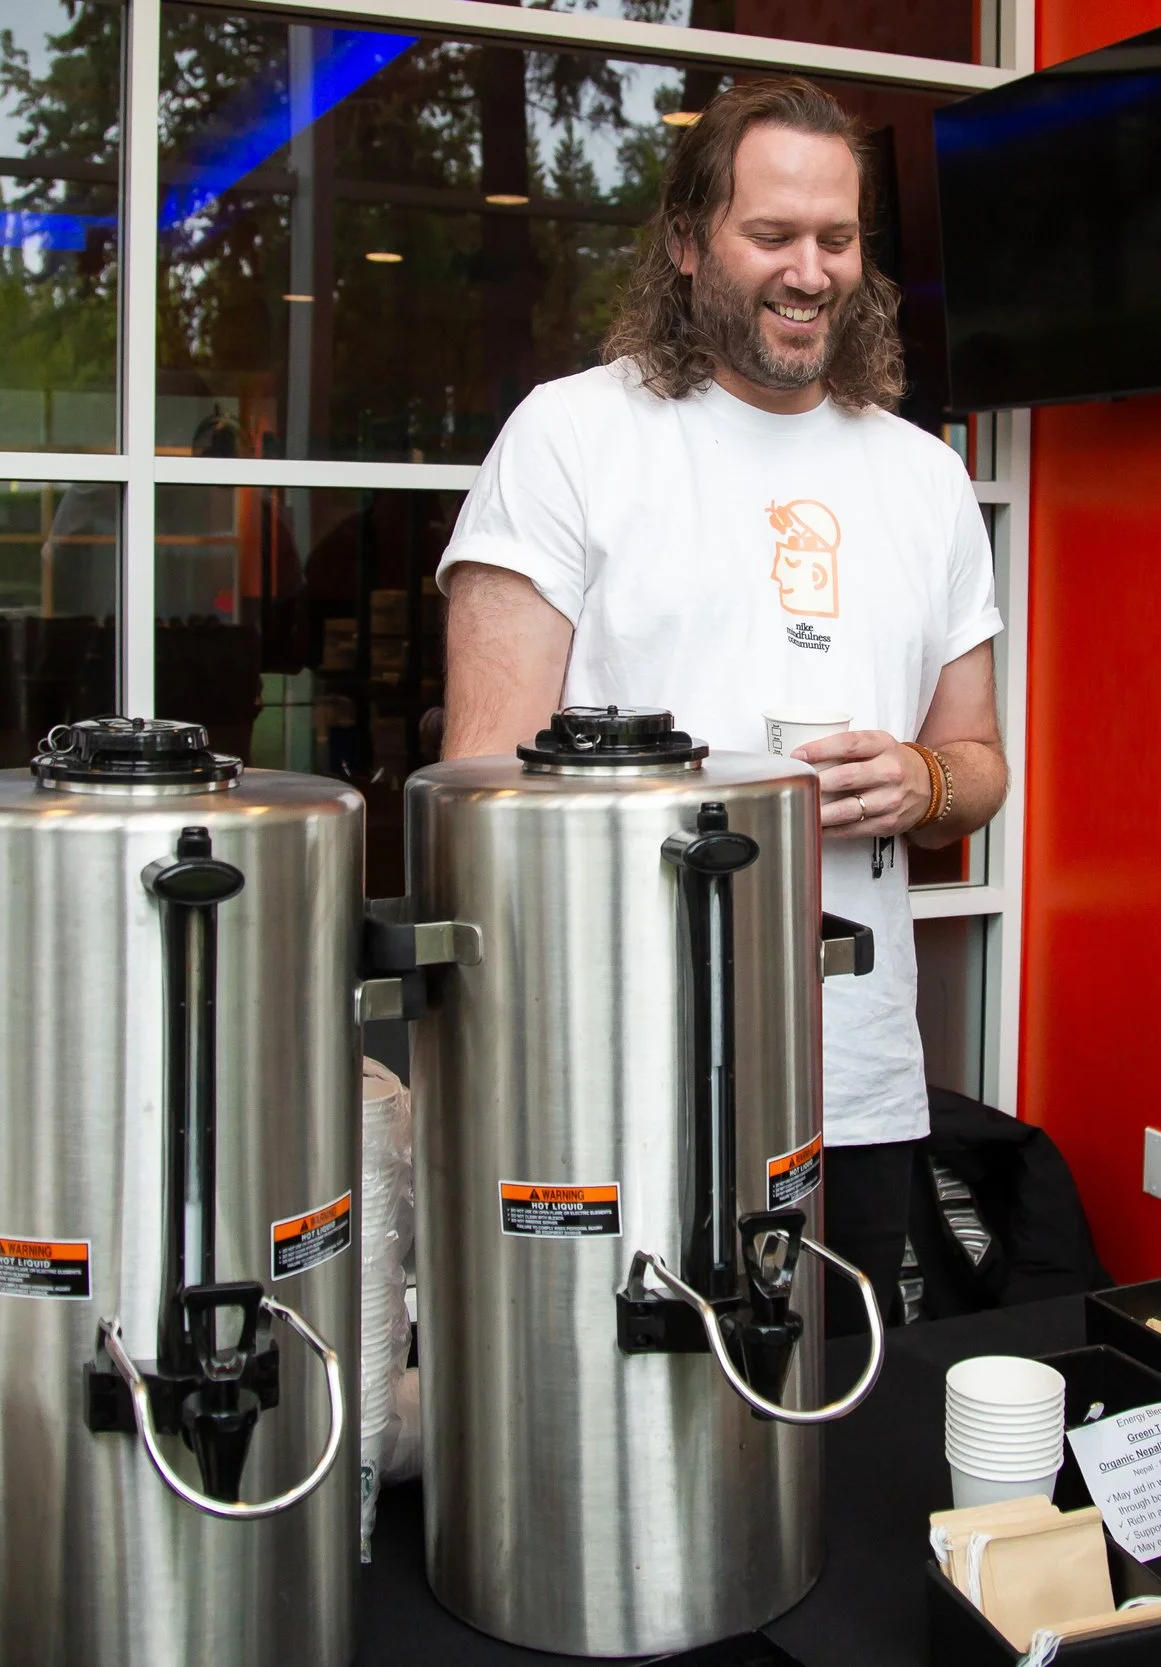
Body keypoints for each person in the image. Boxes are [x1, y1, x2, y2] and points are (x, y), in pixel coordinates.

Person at [434, 78, 1008, 1335]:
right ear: (689, 242)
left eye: (837, 238)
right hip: (616, 1068)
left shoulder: (923, 477)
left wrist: (920, 781)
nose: (811, 271)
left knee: (834, 1413)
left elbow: (977, 762)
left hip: (850, 1076)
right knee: (615, 1417)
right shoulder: (573, 437)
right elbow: (480, 785)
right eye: (773, 234)